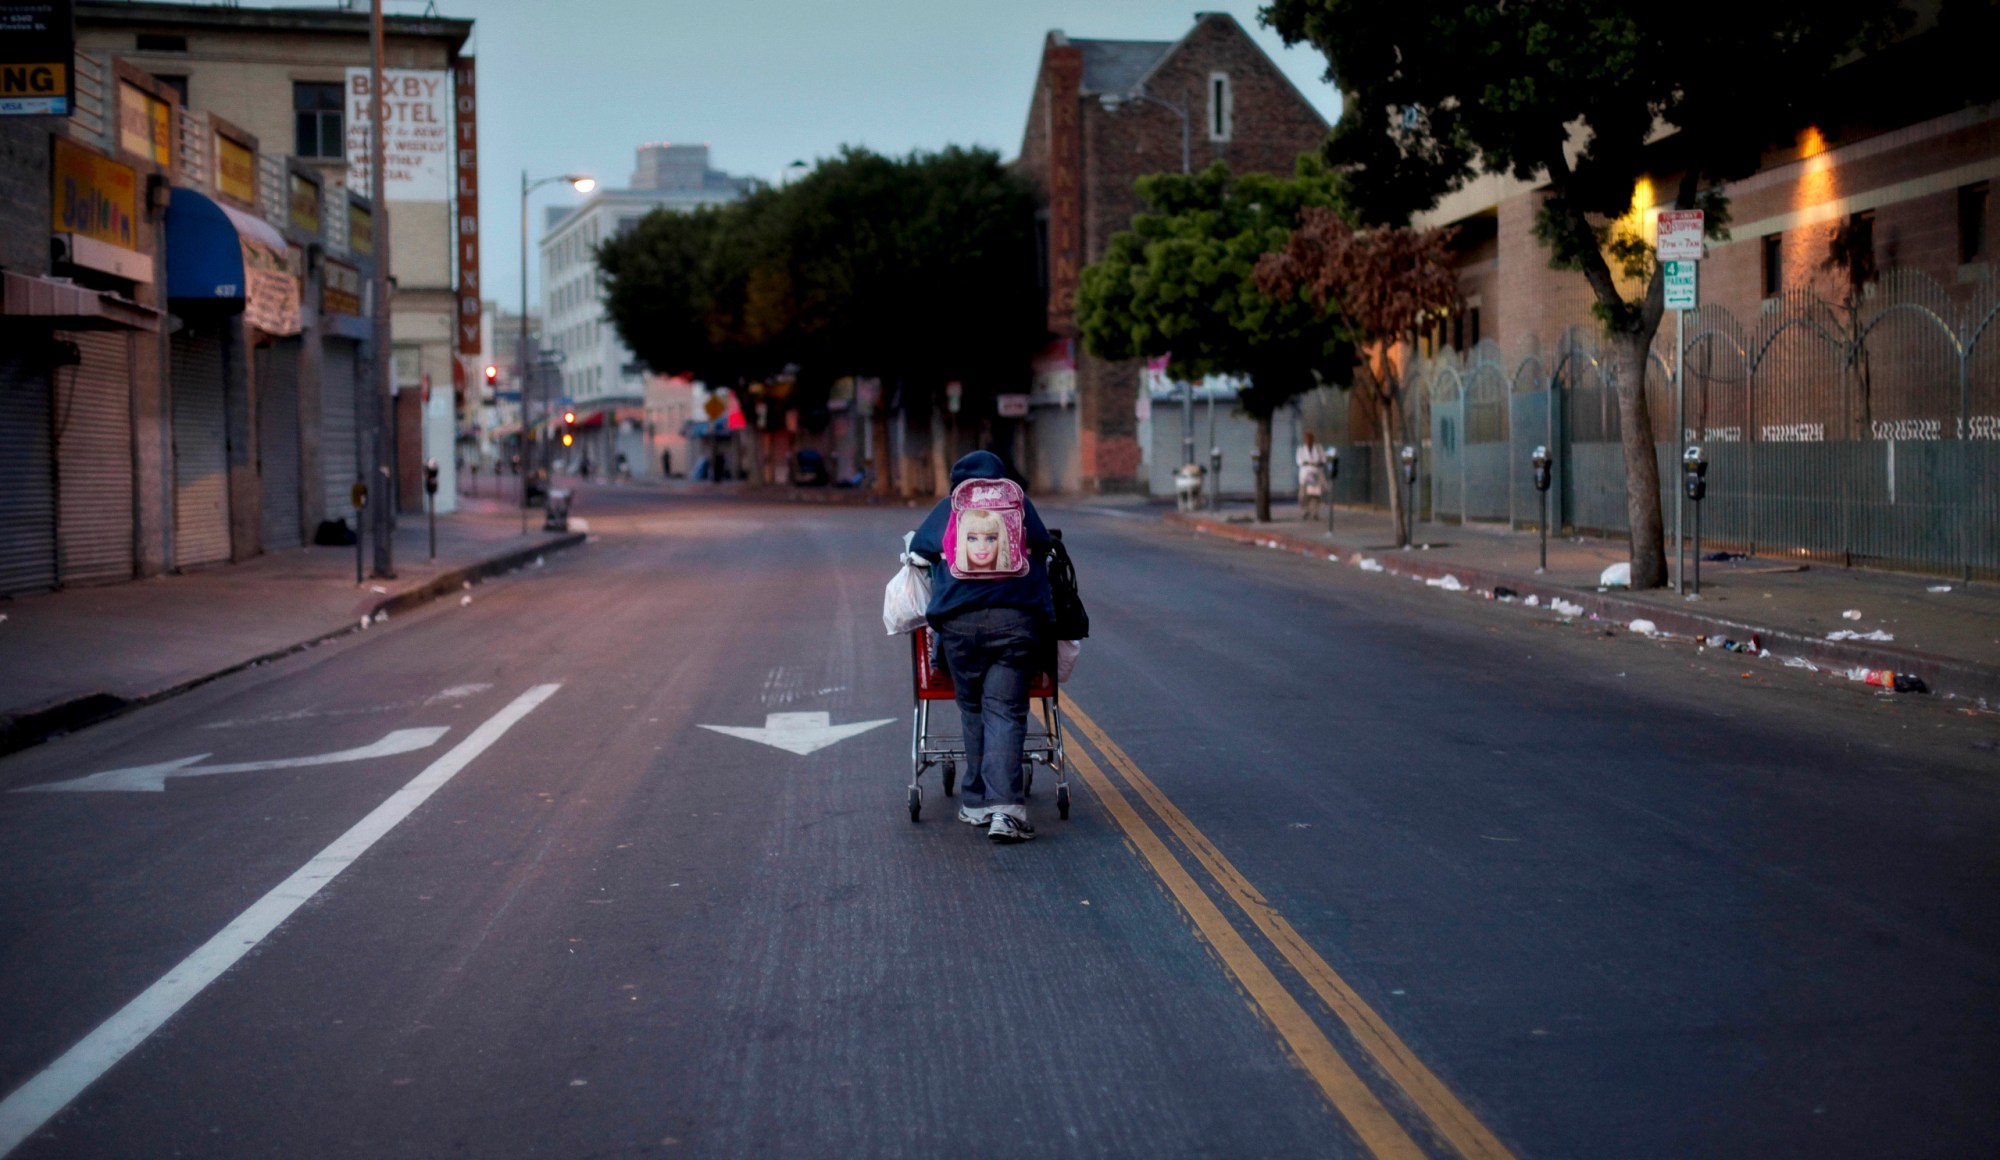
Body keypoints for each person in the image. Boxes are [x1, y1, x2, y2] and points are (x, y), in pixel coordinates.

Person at [910, 450, 1054, 843]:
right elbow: (1044, 544)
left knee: (972, 706)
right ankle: (1005, 810)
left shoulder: (951, 507)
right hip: (1016, 621)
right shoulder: (1018, 503)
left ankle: (975, 801)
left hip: (959, 624)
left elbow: (920, 550)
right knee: (1004, 711)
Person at [1296, 432, 1328, 521]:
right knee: (1302, 495)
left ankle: (1315, 512)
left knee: (1315, 494)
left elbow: (1323, 459)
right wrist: (1309, 462)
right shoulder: (1301, 449)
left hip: (1316, 473)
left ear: (1313, 439)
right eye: (1307, 438)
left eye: (1310, 438)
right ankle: (1305, 510)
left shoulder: (1318, 448)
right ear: (1304, 440)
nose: (1308, 440)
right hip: (1305, 474)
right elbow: (1299, 461)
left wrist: (1318, 463)